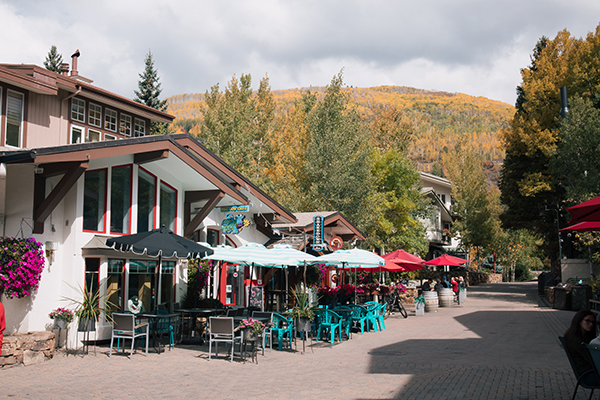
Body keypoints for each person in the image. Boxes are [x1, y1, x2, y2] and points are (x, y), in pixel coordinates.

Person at [564, 309, 598, 384]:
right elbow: (591, 358)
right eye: (587, 321)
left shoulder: (585, 336)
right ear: (579, 321)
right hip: (588, 374)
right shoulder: (576, 339)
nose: (591, 324)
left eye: (592, 322)